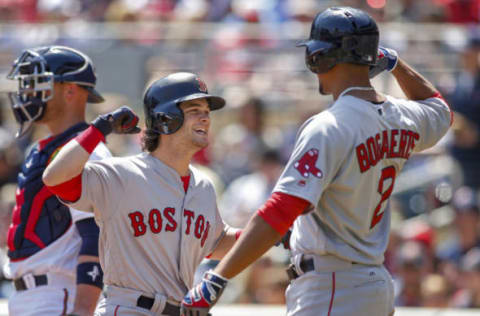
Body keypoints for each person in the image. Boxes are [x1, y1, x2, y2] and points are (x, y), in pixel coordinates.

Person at [181, 6, 452, 316]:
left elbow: (279, 212)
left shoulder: (329, 125)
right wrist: (395, 63)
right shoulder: (402, 115)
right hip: (376, 284)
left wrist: (217, 278)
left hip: (331, 287)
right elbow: (440, 108)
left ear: (321, 57)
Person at [42, 72, 241, 316]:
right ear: (166, 118)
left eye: (207, 111)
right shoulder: (121, 174)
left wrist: (271, 231)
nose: (206, 118)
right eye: (195, 109)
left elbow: (216, 243)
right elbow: (55, 178)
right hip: (130, 307)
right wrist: (99, 129)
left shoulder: (204, 185)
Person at [4, 46, 110, 315]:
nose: (28, 93)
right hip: (28, 296)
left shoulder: (88, 150)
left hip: (60, 295)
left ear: (70, 89)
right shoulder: (43, 147)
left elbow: (95, 234)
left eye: (38, 83)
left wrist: (83, 309)